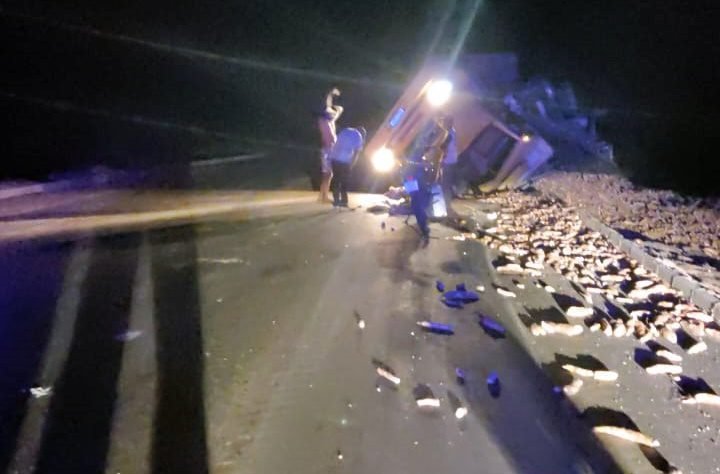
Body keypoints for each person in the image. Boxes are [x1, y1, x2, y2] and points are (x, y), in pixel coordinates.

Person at [316, 87, 343, 203]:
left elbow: (337, 110)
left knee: (328, 174)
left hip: (329, 149)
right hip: (327, 149)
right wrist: (330, 93)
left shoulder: (330, 121)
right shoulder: (323, 120)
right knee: (327, 174)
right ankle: (323, 196)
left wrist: (337, 109)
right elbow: (328, 104)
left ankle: (322, 196)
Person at [328, 126, 366, 207]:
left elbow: (336, 142)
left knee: (336, 179)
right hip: (345, 160)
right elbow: (356, 152)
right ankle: (344, 201)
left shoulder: (345, 130)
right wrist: (352, 164)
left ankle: (336, 200)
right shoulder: (359, 136)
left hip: (334, 157)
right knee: (344, 181)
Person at [438, 115, 459, 218]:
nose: (443, 124)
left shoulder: (449, 134)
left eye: (444, 122)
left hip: (448, 162)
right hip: (452, 160)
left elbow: (443, 147)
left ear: (448, 123)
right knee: (448, 184)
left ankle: (447, 207)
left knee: (445, 185)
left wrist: (441, 159)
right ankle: (448, 205)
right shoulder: (453, 132)